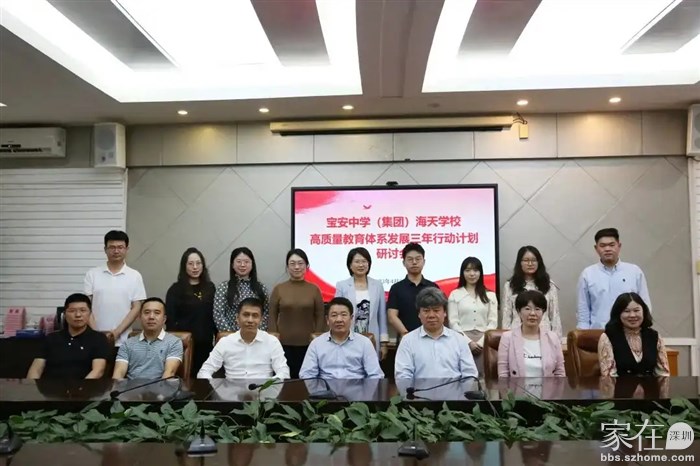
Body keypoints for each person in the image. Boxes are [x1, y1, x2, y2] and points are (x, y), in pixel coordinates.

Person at [394, 287, 478, 379]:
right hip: (419, 388)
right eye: (426, 311)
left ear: (445, 313)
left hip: (454, 388)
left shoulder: (459, 339)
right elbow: (403, 375)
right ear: (419, 314)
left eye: (436, 310)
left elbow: (470, 373)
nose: (431, 315)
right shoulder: (408, 341)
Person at [197, 297, 290, 379]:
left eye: (255, 316)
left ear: (261, 320)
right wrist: (216, 388)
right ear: (237, 318)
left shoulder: (272, 342)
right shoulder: (225, 342)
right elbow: (204, 372)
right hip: (232, 391)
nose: (250, 320)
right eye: (246, 315)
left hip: (262, 391)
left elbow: (284, 372)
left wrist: (267, 385)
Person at [577, 228, 651, 329]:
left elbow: (645, 304)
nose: (607, 249)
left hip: (629, 332)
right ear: (596, 248)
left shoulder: (634, 272)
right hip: (599, 332)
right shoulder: (587, 274)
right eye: (602, 246)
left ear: (619, 246)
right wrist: (583, 332)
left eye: (612, 245)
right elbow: (583, 309)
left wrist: (643, 330)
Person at [268, 249, 325, 379]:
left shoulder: (314, 289)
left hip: (309, 345)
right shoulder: (279, 289)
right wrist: (273, 338)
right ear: (287, 266)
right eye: (292, 263)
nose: (297, 267)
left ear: (307, 266)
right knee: (284, 380)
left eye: (300, 263)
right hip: (282, 345)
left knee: (306, 380)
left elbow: (320, 315)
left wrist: (317, 338)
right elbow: (272, 315)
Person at [84, 230, 146, 346]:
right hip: (95, 339)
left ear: (127, 249)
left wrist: (117, 332)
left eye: (120, 247)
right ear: (105, 249)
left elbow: (136, 307)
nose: (116, 251)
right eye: (112, 247)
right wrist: (97, 335)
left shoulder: (135, 276)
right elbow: (86, 307)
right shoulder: (92, 274)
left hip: (125, 340)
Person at [27, 293, 111, 379]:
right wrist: (31, 386)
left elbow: (98, 371)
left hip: (85, 386)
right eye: (72, 311)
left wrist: (80, 386)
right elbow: (36, 369)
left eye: (83, 310)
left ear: (90, 313)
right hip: (51, 386)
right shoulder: (51, 338)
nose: (78, 315)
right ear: (64, 314)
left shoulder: (99, 339)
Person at [299, 296, 384, 379]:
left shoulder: (364, 343)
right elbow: (306, 375)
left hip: (356, 386)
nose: (339, 319)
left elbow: (375, 375)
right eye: (334, 315)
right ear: (327, 320)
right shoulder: (316, 344)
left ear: (351, 318)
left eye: (343, 315)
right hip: (325, 387)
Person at [165, 247, 216, 378]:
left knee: (205, 381)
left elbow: (214, 316)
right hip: (184, 345)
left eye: (198, 263)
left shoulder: (210, 287)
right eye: (190, 263)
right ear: (184, 266)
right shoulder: (175, 290)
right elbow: (170, 321)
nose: (195, 267)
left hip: (206, 344)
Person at [334, 247, 389, 359]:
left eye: (364, 261)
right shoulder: (342, 285)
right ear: (350, 265)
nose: (361, 265)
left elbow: (381, 316)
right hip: (347, 337)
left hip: (371, 338)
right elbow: (336, 313)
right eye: (357, 261)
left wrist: (383, 343)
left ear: (369, 264)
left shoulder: (377, 285)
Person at [598, 292, 669, 377]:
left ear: (643, 311)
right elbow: (609, 378)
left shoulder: (655, 336)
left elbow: (663, 374)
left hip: (650, 385)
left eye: (636, 310)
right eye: (626, 311)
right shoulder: (608, 337)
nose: (632, 315)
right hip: (620, 385)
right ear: (618, 314)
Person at [497, 290, 565, 378]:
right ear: (518, 311)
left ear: (543, 312)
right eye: (527, 309)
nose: (532, 313)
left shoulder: (552, 338)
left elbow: (560, 372)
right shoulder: (507, 338)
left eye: (537, 309)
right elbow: (503, 375)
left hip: (547, 387)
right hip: (517, 387)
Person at [447, 257, 498, 373]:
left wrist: (481, 343)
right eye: (468, 270)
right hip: (461, 340)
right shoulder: (455, 294)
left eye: (475, 270)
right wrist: (468, 342)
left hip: (484, 340)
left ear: (480, 272)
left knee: (484, 375)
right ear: (462, 272)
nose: (472, 274)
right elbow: (453, 322)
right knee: (463, 374)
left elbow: (493, 322)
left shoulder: (490, 295)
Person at [113, 297, 183, 380]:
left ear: (164, 319)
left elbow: (169, 373)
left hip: (161, 386)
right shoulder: (127, 344)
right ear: (139, 317)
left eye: (157, 313)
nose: (151, 317)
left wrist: (160, 389)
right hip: (131, 387)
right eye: (147, 312)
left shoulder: (174, 342)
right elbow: (118, 373)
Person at [502, 246, 561, 337]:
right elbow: (506, 316)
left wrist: (556, 339)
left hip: (544, 334)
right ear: (519, 263)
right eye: (526, 260)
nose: (530, 264)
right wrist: (507, 338)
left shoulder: (549, 285)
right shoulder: (510, 285)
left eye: (534, 260)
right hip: (517, 335)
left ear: (539, 262)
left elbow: (555, 316)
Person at [387, 243, 439, 339]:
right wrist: (406, 334)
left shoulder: (433, 287)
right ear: (404, 263)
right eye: (410, 259)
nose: (414, 262)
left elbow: (439, 313)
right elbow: (392, 316)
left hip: (430, 337)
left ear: (424, 261)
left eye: (418, 259)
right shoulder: (396, 288)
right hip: (405, 338)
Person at [213, 247, 270, 332]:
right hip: (230, 335)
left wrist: (257, 333)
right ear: (232, 265)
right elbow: (218, 315)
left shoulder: (261, 288)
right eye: (239, 261)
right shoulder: (223, 287)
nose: (242, 265)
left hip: (256, 335)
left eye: (246, 262)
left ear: (252, 264)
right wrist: (233, 336)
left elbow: (266, 313)